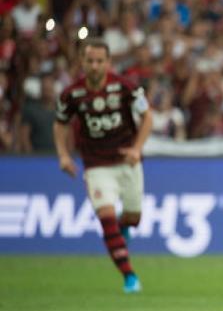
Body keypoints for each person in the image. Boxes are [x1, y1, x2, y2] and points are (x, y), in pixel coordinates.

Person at [53, 39, 153, 293]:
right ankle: (130, 277)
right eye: (90, 61)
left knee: (133, 217)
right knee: (106, 217)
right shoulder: (71, 94)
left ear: (108, 63)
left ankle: (124, 227)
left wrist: (137, 149)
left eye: (100, 61)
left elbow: (147, 116)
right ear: (82, 62)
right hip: (96, 165)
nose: (95, 66)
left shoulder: (125, 87)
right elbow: (60, 123)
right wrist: (64, 155)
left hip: (126, 161)